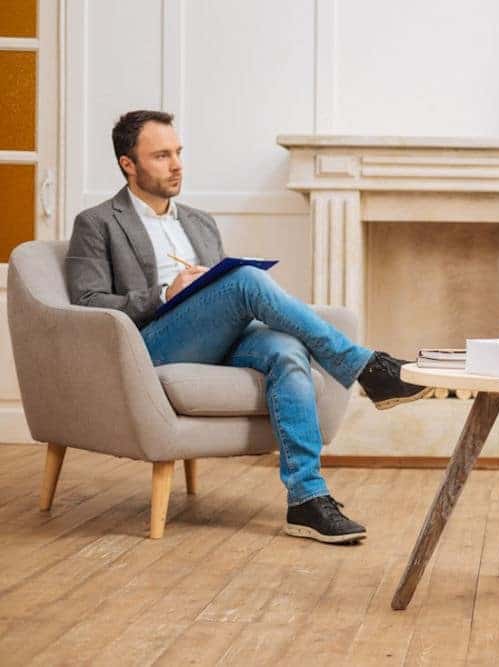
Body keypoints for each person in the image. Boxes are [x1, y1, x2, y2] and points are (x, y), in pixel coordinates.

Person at [66, 110, 432, 545]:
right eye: (161, 155)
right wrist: (167, 292)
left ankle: (306, 500)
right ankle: (366, 367)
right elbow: (87, 302)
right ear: (128, 164)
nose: (177, 164)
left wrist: (212, 291)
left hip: (215, 337)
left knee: (287, 350)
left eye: (178, 153)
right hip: (154, 342)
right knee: (244, 280)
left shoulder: (199, 221)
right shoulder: (98, 222)